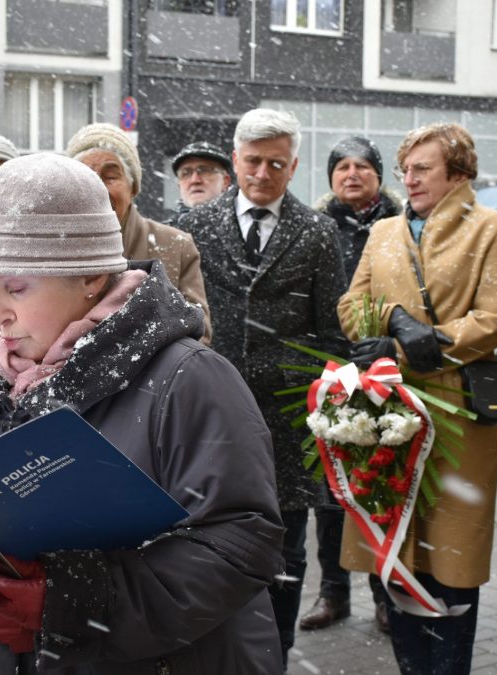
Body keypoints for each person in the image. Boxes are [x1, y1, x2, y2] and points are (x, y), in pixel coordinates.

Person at [0, 152, 284, 673]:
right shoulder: (3, 378)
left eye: (18, 287)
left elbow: (240, 542)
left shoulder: (189, 378)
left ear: (91, 276)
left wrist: (72, 601)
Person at [337, 122, 497, 674]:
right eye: (406, 169)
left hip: (457, 408)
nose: (409, 179)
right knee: (393, 546)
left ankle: (448, 667)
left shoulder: (494, 228)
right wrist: (391, 318)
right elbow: (351, 308)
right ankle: (412, 665)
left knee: (450, 556)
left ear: (459, 172)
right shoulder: (384, 233)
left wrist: (420, 342)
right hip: (386, 406)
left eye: (423, 169)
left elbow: (494, 320)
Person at [176, 108, 347, 669]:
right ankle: (220, 652)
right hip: (212, 412)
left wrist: (324, 405)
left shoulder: (319, 232)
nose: (263, 173)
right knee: (210, 537)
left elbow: (332, 333)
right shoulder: (196, 225)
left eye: (277, 163)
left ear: (294, 166)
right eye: (253, 161)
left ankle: (277, 652)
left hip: (289, 417)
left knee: (287, 546)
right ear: (236, 160)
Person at [299, 135, 401, 635]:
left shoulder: (400, 229)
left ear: (380, 176)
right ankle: (332, 592)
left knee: (381, 482)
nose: (352, 174)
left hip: (385, 369)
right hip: (330, 372)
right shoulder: (317, 230)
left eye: (363, 166)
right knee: (330, 493)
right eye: (342, 167)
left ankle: (386, 593)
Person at [65, 123, 212, 343]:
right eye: (86, 177)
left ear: (133, 187)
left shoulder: (176, 246)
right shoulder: (55, 250)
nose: (99, 189)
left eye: (110, 176)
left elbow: (198, 333)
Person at [167, 140, 232, 226]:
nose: (195, 180)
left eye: (204, 171)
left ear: (225, 181)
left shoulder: (245, 227)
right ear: (179, 186)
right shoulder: (161, 235)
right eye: (186, 173)